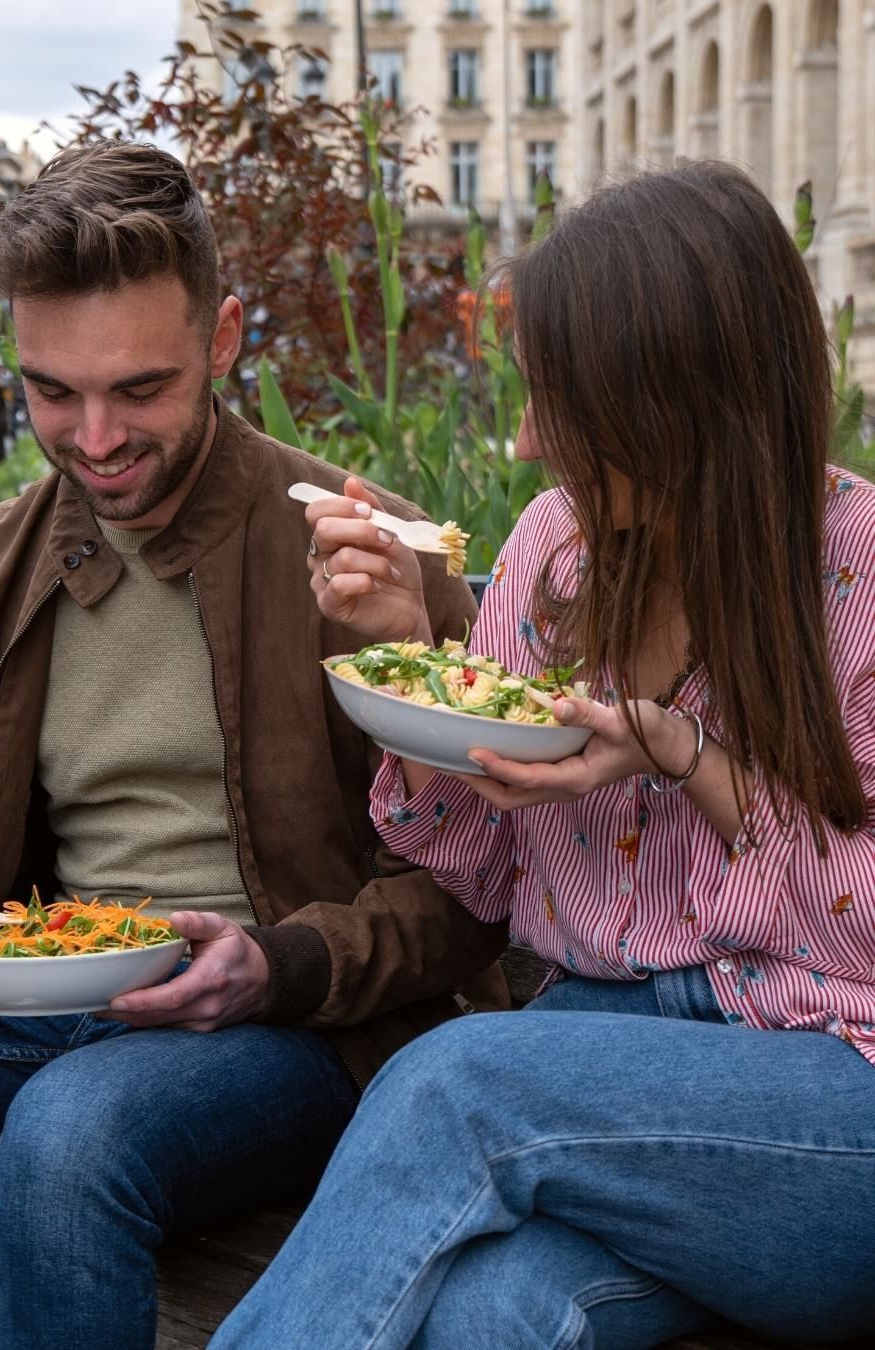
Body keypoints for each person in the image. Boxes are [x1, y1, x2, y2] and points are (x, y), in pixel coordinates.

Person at [0, 142, 510, 1350]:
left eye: (140, 388)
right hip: (34, 981)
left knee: (72, 1144)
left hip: (294, 1028)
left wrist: (276, 964)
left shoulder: (364, 548)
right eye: (51, 391)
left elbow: (473, 895)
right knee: (68, 1113)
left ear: (225, 337)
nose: (94, 437)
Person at [209, 161, 875, 1349]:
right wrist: (414, 664)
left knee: (458, 1083)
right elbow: (480, 879)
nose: (523, 441)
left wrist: (685, 757)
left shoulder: (859, 569)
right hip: (595, 1071)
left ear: (673, 398)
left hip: (822, 1099)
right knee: (497, 1315)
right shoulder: (556, 548)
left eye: (558, 403)